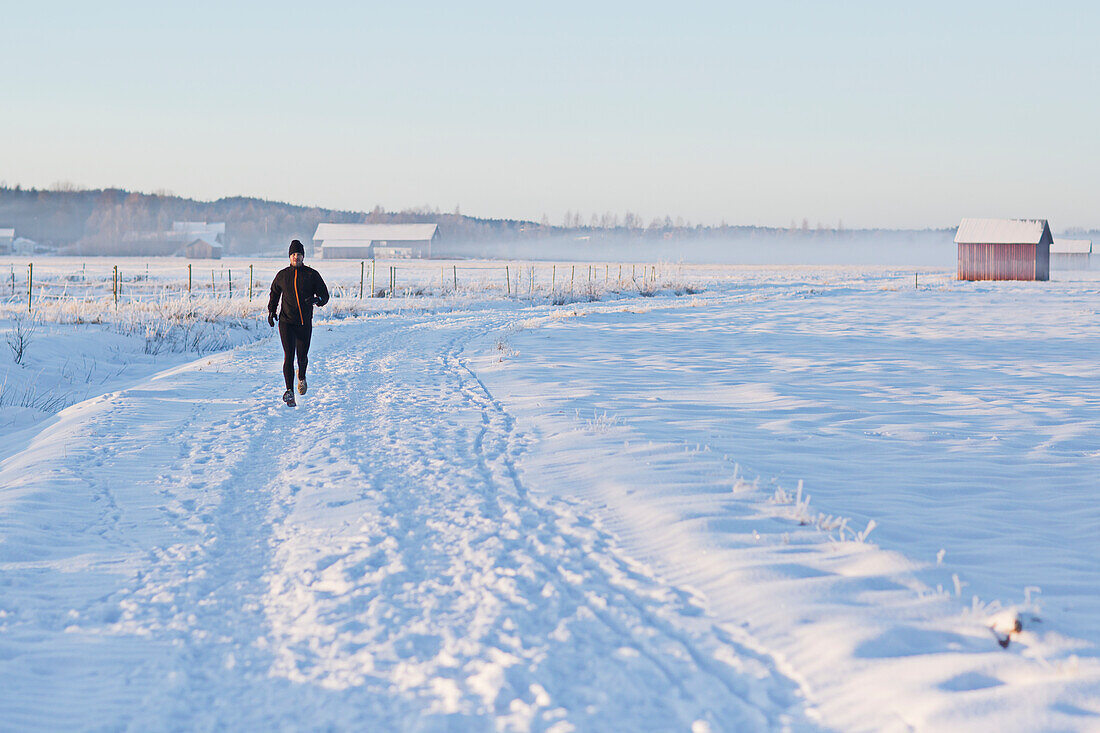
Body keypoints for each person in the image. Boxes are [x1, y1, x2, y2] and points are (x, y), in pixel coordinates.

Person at [268, 240, 329, 406]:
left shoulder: (311, 274)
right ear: (289, 256)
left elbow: (325, 295)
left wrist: (318, 300)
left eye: (299, 254)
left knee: (301, 358)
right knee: (288, 356)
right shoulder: (282, 275)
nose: (296, 257)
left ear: (303, 256)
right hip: (286, 322)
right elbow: (274, 293)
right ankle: (289, 392)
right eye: (293, 254)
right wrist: (271, 311)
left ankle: (301, 377)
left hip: (304, 323)